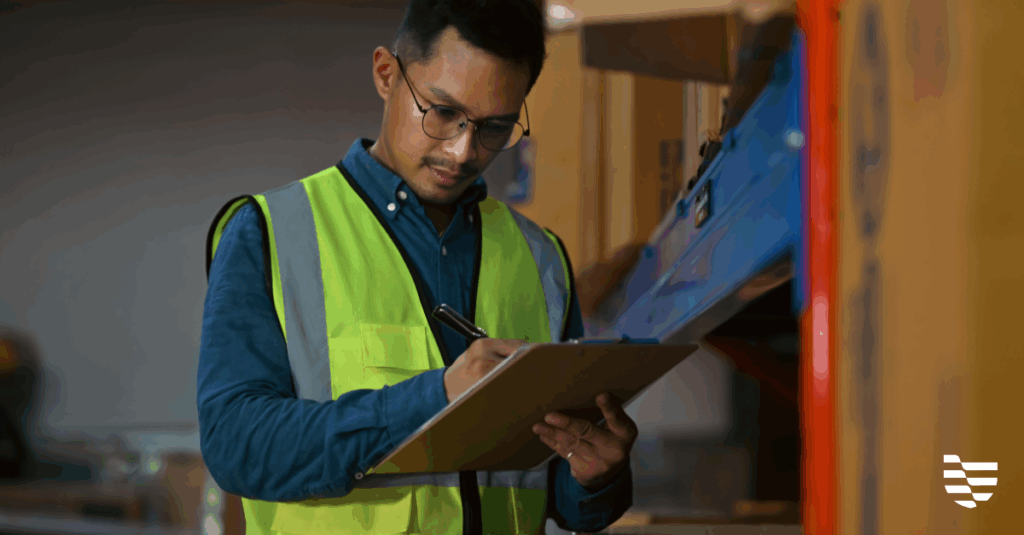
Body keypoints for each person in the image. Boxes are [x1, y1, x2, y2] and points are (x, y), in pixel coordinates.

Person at [197, 1, 637, 533]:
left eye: (494, 127)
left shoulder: (541, 257)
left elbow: (557, 498)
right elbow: (237, 448)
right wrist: (436, 398)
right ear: (387, 74)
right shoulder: (268, 233)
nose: (461, 151)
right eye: (443, 112)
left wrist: (596, 476)